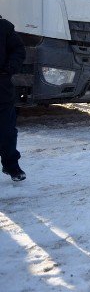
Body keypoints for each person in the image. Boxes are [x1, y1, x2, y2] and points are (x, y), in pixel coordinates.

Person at [0, 16, 26, 181]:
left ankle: (12, 167)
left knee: (7, 132)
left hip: (1, 90)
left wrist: (9, 68)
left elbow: (19, 50)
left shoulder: (4, 27)